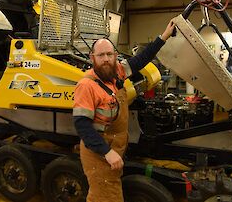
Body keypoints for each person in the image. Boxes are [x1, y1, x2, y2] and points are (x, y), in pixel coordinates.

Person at [73, 20, 176, 202]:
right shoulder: (86, 85)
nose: (106, 59)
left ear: (115, 56)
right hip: (99, 154)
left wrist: (164, 36)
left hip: (115, 148)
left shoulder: (117, 72)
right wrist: (107, 152)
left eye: (109, 54)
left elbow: (141, 59)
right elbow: (83, 127)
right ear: (92, 58)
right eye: (101, 55)